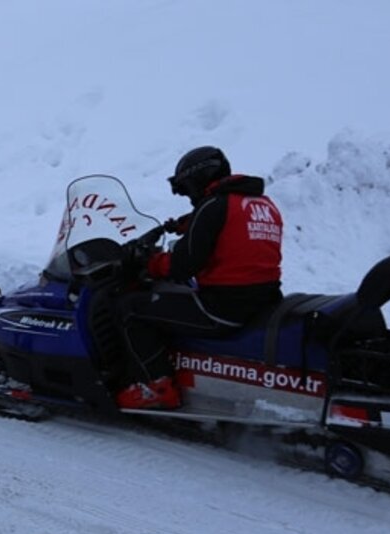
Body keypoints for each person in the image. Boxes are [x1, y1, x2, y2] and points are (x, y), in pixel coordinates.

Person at [115, 146, 284, 410]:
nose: (189, 196)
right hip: (265, 303)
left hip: (222, 308)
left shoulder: (214, 207)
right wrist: (181, 225)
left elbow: (182, 266)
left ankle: (156, 386)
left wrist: (148, 262)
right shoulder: (262, 204)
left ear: (200, 178)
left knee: (132, 309)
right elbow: (226, 226)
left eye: (188, 188)